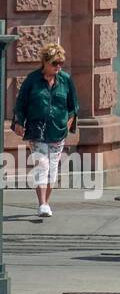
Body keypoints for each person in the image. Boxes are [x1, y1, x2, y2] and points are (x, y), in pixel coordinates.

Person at [12, 43, 78, 218]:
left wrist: (68, 122)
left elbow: (73, 106)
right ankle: (42, 204)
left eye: (61, 63)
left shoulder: (65, 80)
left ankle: (46, 203)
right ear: (45, 62)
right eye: (55, 63)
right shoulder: (32, 80)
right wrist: (19, 122)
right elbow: (21, 104)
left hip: (57, 130)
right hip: (37, 130)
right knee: (42, 165)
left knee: (53, 169)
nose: (58, 66)